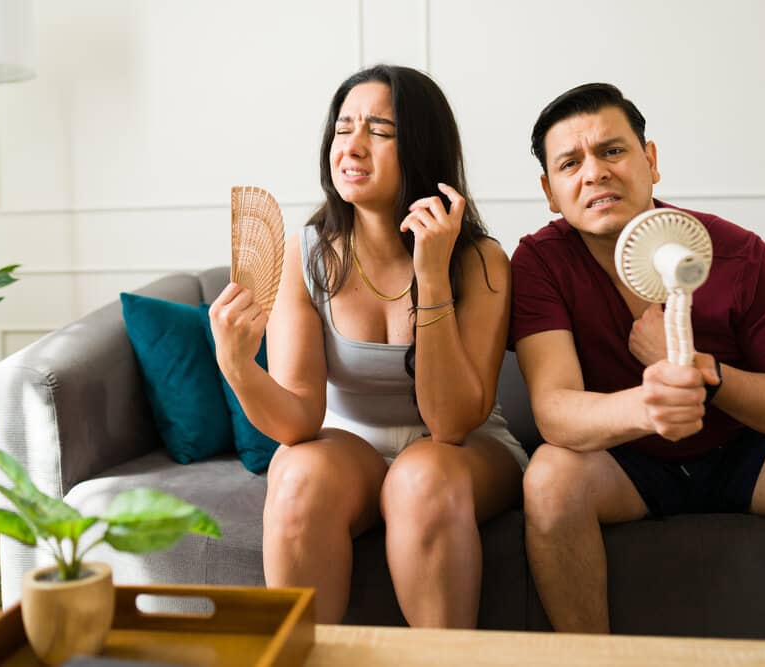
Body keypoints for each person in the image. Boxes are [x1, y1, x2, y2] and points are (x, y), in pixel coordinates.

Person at [511, 82, 765, 641]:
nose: (594, 172)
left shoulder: (738, 252)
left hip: (745, 454)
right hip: (627, 465)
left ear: (651, 160)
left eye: (612, 151)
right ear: (551, 192)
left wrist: (706, 376)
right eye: (571, 163)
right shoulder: (539, 263)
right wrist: (650, 406)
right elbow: (555, 411)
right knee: (549, 478)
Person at [209, 65, 527, 627]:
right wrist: (236, 365)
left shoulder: (480, 262)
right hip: (347, 447)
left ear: (421, 148)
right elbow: (299, 420)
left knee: (422, 476)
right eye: (343, 128)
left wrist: (431, 278)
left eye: (379, 131)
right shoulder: (307, 255)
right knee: (296, 472)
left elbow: (451, 423)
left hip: (462, 451)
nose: (352, 146)